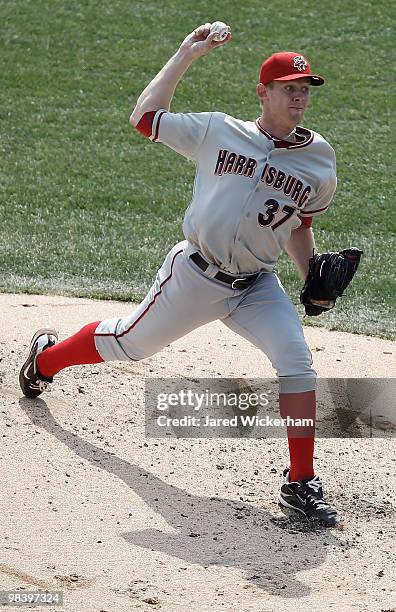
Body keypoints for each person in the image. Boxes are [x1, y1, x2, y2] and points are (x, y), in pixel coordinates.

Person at [19, 24, 339, 525]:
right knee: (128, 343)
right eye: (289, 88)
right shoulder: (218, 131)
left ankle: (301, 482)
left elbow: (300, 222)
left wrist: (312, 274)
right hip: (196, 276)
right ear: (264, 92)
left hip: (257, 283)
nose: (299, 97)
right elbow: (145, 117)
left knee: (296, 360)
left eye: (305, 89)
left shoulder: (319, 159)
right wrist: (186, 54)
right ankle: (46, 361)